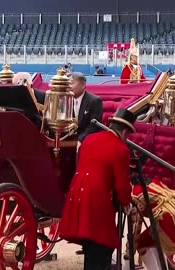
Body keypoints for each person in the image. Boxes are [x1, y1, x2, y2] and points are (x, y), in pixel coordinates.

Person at [59, 108, 136, 270]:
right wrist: (127, 203)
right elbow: (122, 185)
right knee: (102, 245)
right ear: (124, 133)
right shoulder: (121, 149)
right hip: (97, 198)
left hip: (78, 194)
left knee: (91, 246)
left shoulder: (89, 139)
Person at [70, 72, 103, 151]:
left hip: (87, 139)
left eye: (71, 83)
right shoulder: (66, 99)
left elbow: (94, 126)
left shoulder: (95, 101)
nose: (69, 87)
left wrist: (81, 139)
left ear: (83, 85)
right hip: (69, 138)